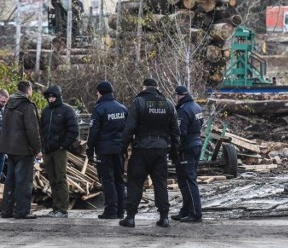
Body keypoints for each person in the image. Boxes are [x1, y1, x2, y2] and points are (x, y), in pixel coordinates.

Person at [119, 78, 180, 228]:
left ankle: (131, 217)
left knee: (135, 183)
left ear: (144, 87)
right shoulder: (168, 103)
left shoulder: (138, 102)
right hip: (160, 149)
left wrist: (122, 149)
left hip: (141, 149)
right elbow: (175, 131)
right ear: (156, 87)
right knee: (160, 183)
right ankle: (164, 217)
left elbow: (129, 129)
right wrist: (174, 151)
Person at [0, 81, 42, 220]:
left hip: (10, 148)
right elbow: (32, 130)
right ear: (28, 90)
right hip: (23, 149)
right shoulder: (26, 105)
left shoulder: (8, 105)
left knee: (10, 180)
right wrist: (37, 149)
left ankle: (6, 210)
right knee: (24, 181)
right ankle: (22, 211)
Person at [86, 81, 128, 219]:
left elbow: (93, 132)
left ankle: (111, 210)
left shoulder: (99, 109)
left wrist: (89, 150)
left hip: (104, 150)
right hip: (119, 149)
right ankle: (121, 210)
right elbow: (128, 130)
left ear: (101, 92)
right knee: (119, 179)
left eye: (97, 92)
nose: (96, 94)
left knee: (107, 179)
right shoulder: (122, 108)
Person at [40, 85, 79, 218]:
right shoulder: (46, 111)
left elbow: (74, 130)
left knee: (60, 178)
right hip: (48, 150)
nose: (51, 99)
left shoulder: (67, 110)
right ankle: (56, 206)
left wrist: (64, 145)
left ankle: (63, 209)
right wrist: (42, 147)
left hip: (59, 150)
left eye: (53, 96)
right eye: (49, 97)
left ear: (58, 96)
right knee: (52, 179)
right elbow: (42, 130)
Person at [171, 85, 204, 223]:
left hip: (186, 148)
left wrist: (174, 148)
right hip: (196, 144)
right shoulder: (196, 106)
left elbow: (180, 133)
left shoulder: (183, 110)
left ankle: (195, 212)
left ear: (179, 96)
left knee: (188, 181)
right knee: (184, 181)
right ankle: (186, 210)